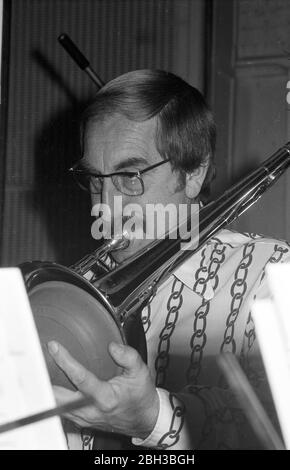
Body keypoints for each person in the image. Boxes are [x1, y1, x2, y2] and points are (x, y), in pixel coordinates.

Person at [48, 69, 290, 449]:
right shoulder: (78, 292)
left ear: (193, 173)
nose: (108, 208)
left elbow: (276, 423)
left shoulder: (269, 273)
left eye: (130, 176)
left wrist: (152, 418)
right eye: (96, 180)